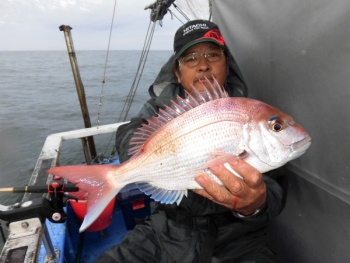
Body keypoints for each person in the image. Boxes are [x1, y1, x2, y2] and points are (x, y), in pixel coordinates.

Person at [94, 20, 287, 263]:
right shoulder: (158, 109)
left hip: (239, 239)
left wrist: (256, 203)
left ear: (227, 63)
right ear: (177, 71)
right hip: (167, 230)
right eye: (191, 58)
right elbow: (128, 132)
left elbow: (276, 187)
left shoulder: (249, 114)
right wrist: (153, 153)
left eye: (212, 55)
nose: (204, 65)